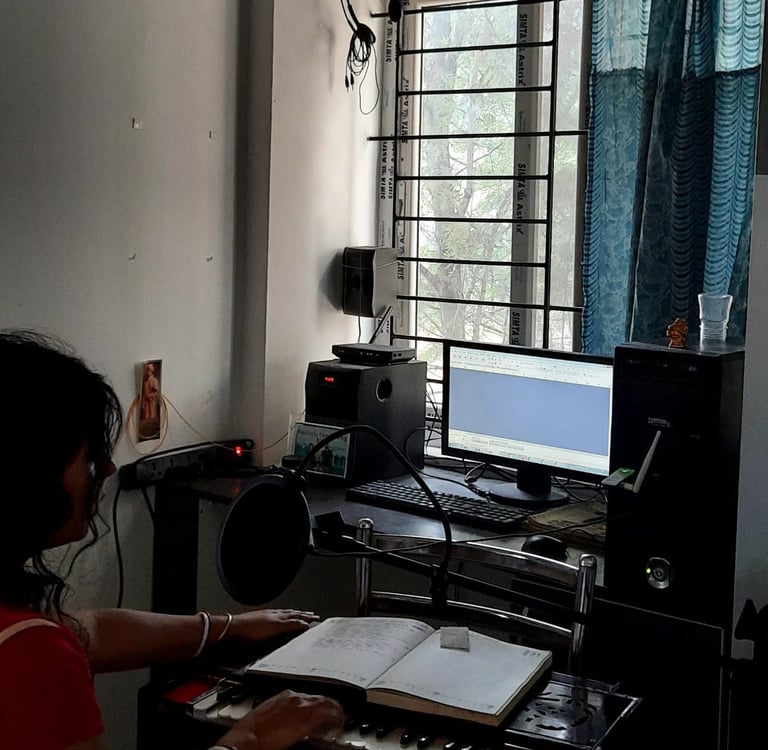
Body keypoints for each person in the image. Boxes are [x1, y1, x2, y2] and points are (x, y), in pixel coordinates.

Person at [0, 330, 345, 750]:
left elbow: (85, 631)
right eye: (90, 456)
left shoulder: (27, 632)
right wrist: (252, 735)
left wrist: (228, 628)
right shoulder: (29, 653)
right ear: (29, 474)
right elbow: (53, 642)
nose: (108, 469)